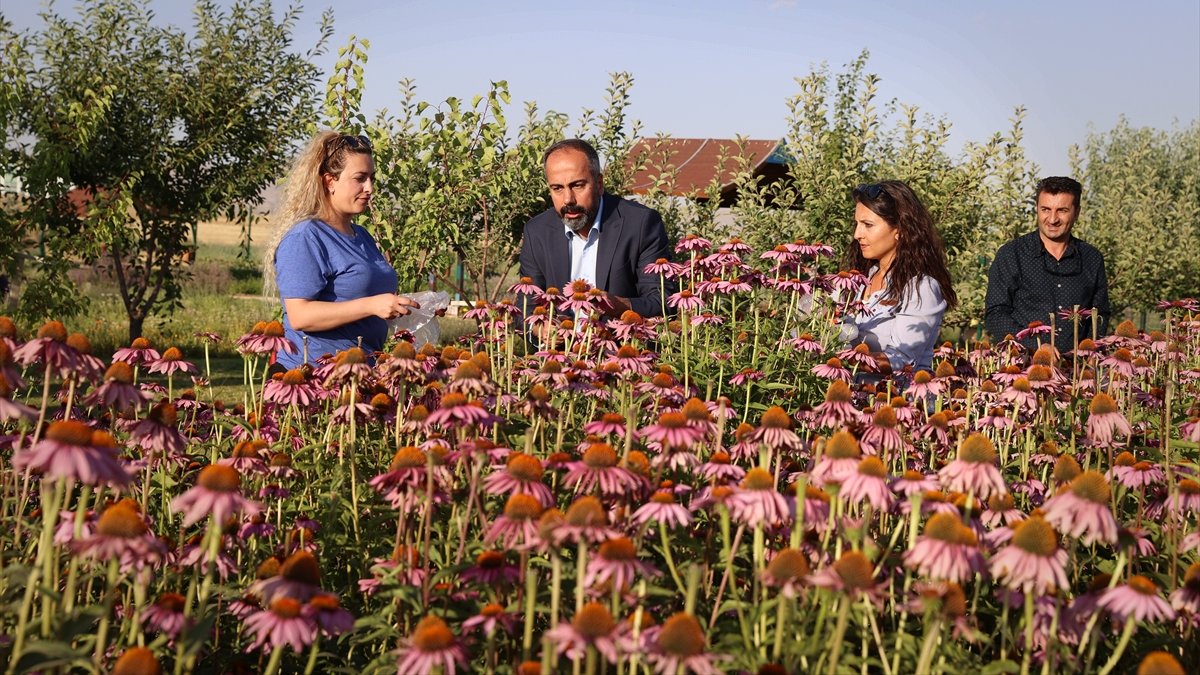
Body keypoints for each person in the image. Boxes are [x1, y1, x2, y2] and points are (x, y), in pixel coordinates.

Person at [265, 131, 418, 369]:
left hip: (360, 375)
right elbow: (300, 316)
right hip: (313, 379)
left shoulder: (363, 237)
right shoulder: (306, 237)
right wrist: (372, 305)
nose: (370, 188)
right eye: (360, 178)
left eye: (372, 178)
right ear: (330, 181)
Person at [518, 139, 675, 321]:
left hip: (619, 346)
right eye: (557, 188)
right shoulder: (537, 231)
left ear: (599, 184)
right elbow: (525, 309)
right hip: (560, 348)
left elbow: (663, 302)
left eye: (577, 185)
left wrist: (621, 307)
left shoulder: (640, 224)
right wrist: (539, 330)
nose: (568, 199)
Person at [985, 176, 1110, 353]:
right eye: (1045, 209)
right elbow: (996, 313)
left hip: (1076, 372)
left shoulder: (1092, 258)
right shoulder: (1012, 255)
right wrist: (1035, 347)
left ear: (1077, 212)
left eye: (1062, 210)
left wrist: (1088, 352)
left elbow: (1100, 314)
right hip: (1023, 369)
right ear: (1037, 209)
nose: (1052, 219)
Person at [844, 180, 957, 374]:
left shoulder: (921, 287)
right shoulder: (858, 281)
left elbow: (900, 359)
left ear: (900, 230)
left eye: (867, 225)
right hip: (851, 397)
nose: (857, 234)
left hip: (896, 398)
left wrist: (834, 358)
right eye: (857, 224)